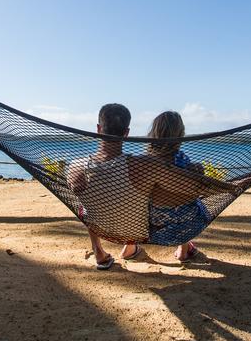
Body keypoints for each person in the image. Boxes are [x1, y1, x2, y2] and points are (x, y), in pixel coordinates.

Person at [66, 103, 139, 270]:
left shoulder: (77, 166)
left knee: (84, 206)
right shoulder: (140, 166)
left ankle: (98, 250)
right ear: (126, 133)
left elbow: (73, 191)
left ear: (98, 129)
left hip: (98, 224)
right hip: (132, 227)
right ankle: (130, 246)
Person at [144, 111, 207, 262]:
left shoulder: (145, 163)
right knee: (193, 204)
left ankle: (129, 248)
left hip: (155, 227)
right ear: (181, 134)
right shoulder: (183, 160)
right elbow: (197, 189)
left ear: (154, 134)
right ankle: (183, 250)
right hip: (190, 224)